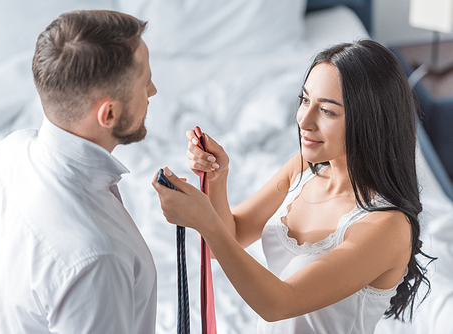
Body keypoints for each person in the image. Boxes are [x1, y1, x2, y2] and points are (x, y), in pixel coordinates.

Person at [153, 40, 435, 333]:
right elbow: (231, 236)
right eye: (304, 100)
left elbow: (279, 303)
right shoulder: (301, 170)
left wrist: (205, 221)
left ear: (370, 121)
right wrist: (217, 178)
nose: (303, 119)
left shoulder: (387, 226)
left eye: (327, 111)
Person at [0, 10, 157, 333]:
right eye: (145, 82)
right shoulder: (97, 260)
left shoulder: (2, 157)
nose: (153, 91)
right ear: (109, 113)